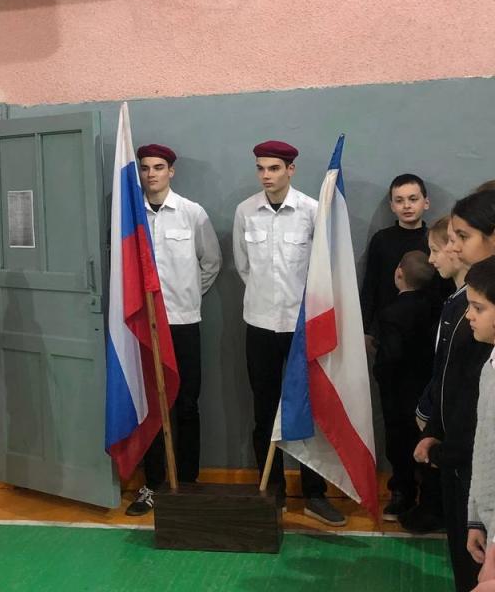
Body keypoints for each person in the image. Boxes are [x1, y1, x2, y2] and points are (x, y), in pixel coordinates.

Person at [233, 139, 345, 527]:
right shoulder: (245, 212)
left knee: (307, 409)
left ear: (290, 170)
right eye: (261, 168)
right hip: (260, 324)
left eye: (274, 168)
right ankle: (274, 490)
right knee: (264, 410)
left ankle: (314, 493)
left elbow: (323, 271)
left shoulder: (312, 211)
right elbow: (244, 267)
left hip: (301, 328)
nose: (266, 175)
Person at [125, 143, 221, 516]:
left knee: (187, 403)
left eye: (158, 167)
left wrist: (188, 297)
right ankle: (153, 483)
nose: (151, 174)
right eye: (145, 168)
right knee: (153, 404)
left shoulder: (191, 213)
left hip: (183, 323)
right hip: (146, 326)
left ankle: (188, 482)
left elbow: (211, 262)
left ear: (171, 171)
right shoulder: (132, 217)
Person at [415, 190, 495, 592]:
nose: (454, 248)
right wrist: (436, 431)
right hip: (467, 467)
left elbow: (480, 412)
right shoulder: (462, 304)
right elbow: (449, 378)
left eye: (462, 236)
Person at [403, 215, 467, 534]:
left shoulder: (467, 306)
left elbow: (457, 372)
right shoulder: (453, 302)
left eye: (436, 249)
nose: (430, 259)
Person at [373, 250, 438, 522]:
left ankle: (403, 493)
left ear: (398, 272)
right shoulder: (436, 307)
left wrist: (379, 370)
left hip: (397, 392)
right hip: (427, 390)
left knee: (399, 444)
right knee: (424, 441)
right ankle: (430, 498)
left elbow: (391, 357)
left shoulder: (391, 313)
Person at [360, 174, 431, 342]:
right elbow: (370, 286)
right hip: (386, 330)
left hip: (427, 329)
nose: (407, 206)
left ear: (426, 202)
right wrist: (364, 328)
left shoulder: (433, 241)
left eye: (413, 199)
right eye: (399, 201)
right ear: (392, 206)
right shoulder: (381, 240)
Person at [465, 257, 495, 592]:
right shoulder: (490, 365)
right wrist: (477, 517)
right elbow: (484, 451)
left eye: (478, 308)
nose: (468, 316)